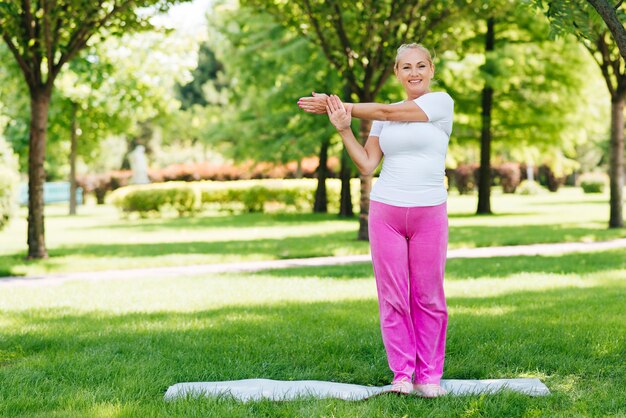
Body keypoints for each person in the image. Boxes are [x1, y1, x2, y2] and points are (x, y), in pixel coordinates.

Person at [297, 43, 453, 398]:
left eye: (421, 66)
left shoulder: (441, 103)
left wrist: (339, 103)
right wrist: (343, 126)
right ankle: (402, 374)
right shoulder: (385, 115)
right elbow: (368, 164)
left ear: (431, 69)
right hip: (387, 211)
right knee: (393, 297)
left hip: (429, 211)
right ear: (397, 73)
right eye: (406, 67)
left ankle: (429, 377)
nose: (414, 73)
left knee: (428, 296)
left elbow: (389, 110)